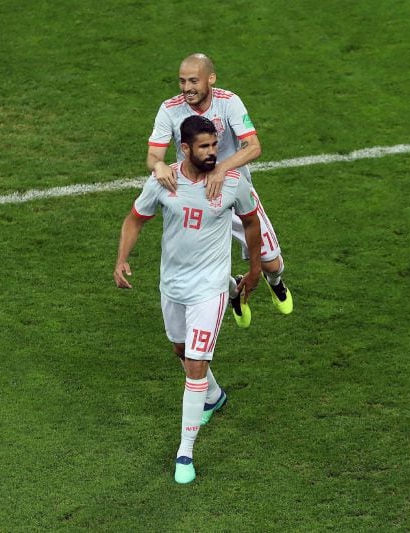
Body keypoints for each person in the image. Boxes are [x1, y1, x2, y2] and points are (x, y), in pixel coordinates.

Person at [115, 115, 262, 484]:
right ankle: (214, 396)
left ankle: (185, 452)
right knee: (181, 352)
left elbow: (251, 222)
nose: (213, 153)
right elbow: (134, 219)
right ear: (185, 149)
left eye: (215, 145)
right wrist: (121, 260)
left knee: (195, 365)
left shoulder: (232, 183)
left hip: (207, 290)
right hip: (173, 286)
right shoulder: (164, 182)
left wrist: (256, 268)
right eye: (204, 147)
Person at [147, 53, 293, 329]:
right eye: (182, 81)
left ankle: (275, 281)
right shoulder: (169, 109)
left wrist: (221, 169)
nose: (186, 88)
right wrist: (159, 166)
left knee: (271, 263)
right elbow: (154, 155)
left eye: (193, 81)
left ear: (210, 79)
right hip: (196, 200)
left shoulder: (229, 103)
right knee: (200, 266)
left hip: (235, 193)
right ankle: (235, 292)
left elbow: (254, 146)